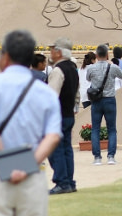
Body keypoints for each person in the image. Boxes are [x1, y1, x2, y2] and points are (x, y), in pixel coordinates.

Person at [0, 30, 61, 216]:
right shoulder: (47, 93)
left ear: (6, 56)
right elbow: (52, 137)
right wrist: (27, 165)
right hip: (32, 174)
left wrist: (8, 166)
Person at [47, 37, 79, 195]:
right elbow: (77, 94)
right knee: (67, 149)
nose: (50, 52)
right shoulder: (73, 69)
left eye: (52, 49)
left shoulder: (58, 71)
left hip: (56, 116)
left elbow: (51, 97)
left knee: (56, 149)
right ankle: (69, 181)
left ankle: (61, 181)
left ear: (59, 52)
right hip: (68, 114)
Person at [86, 44, 122, 165]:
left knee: (95, 129)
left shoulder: (91, 68)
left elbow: (88, 79)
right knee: (111, 129)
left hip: (96, 100)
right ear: (107, 55)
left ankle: (97, 157)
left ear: (96, 55)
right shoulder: (112, 67)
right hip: (109, 99)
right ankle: (111, 156)